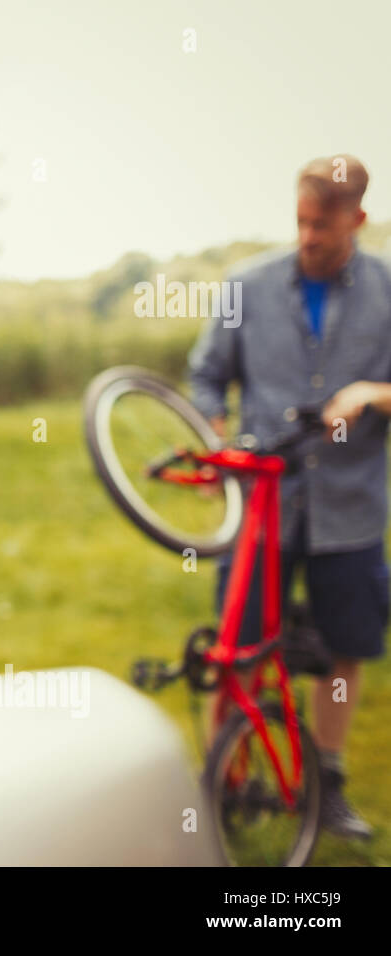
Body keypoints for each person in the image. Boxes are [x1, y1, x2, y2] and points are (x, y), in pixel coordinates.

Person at [188, 154, 391, 841]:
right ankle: (224, 784)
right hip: (262, 506)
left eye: (324, 227)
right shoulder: (247, 284)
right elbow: (207, 376)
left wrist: (373, 394)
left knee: (342, 651)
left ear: (357, 220)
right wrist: (215, 433)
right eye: (302, 222)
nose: (309, 236)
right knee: (236, 644)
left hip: (350, 507)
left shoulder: (388, 288)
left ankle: (325, 786)